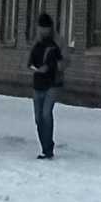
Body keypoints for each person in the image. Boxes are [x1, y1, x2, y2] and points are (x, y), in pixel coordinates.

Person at [27, 11, 64, 158]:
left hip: (51, 84)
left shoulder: (55, 44)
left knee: (46, 114)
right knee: (38, 117)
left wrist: (50, 67)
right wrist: (34, 68)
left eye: (45, 28)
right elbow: (29, 61)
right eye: (41, 28)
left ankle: (48, 148)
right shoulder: (36, 44)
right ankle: (45, 145)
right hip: (38, 84)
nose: (43, 31)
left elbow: (61, 61)